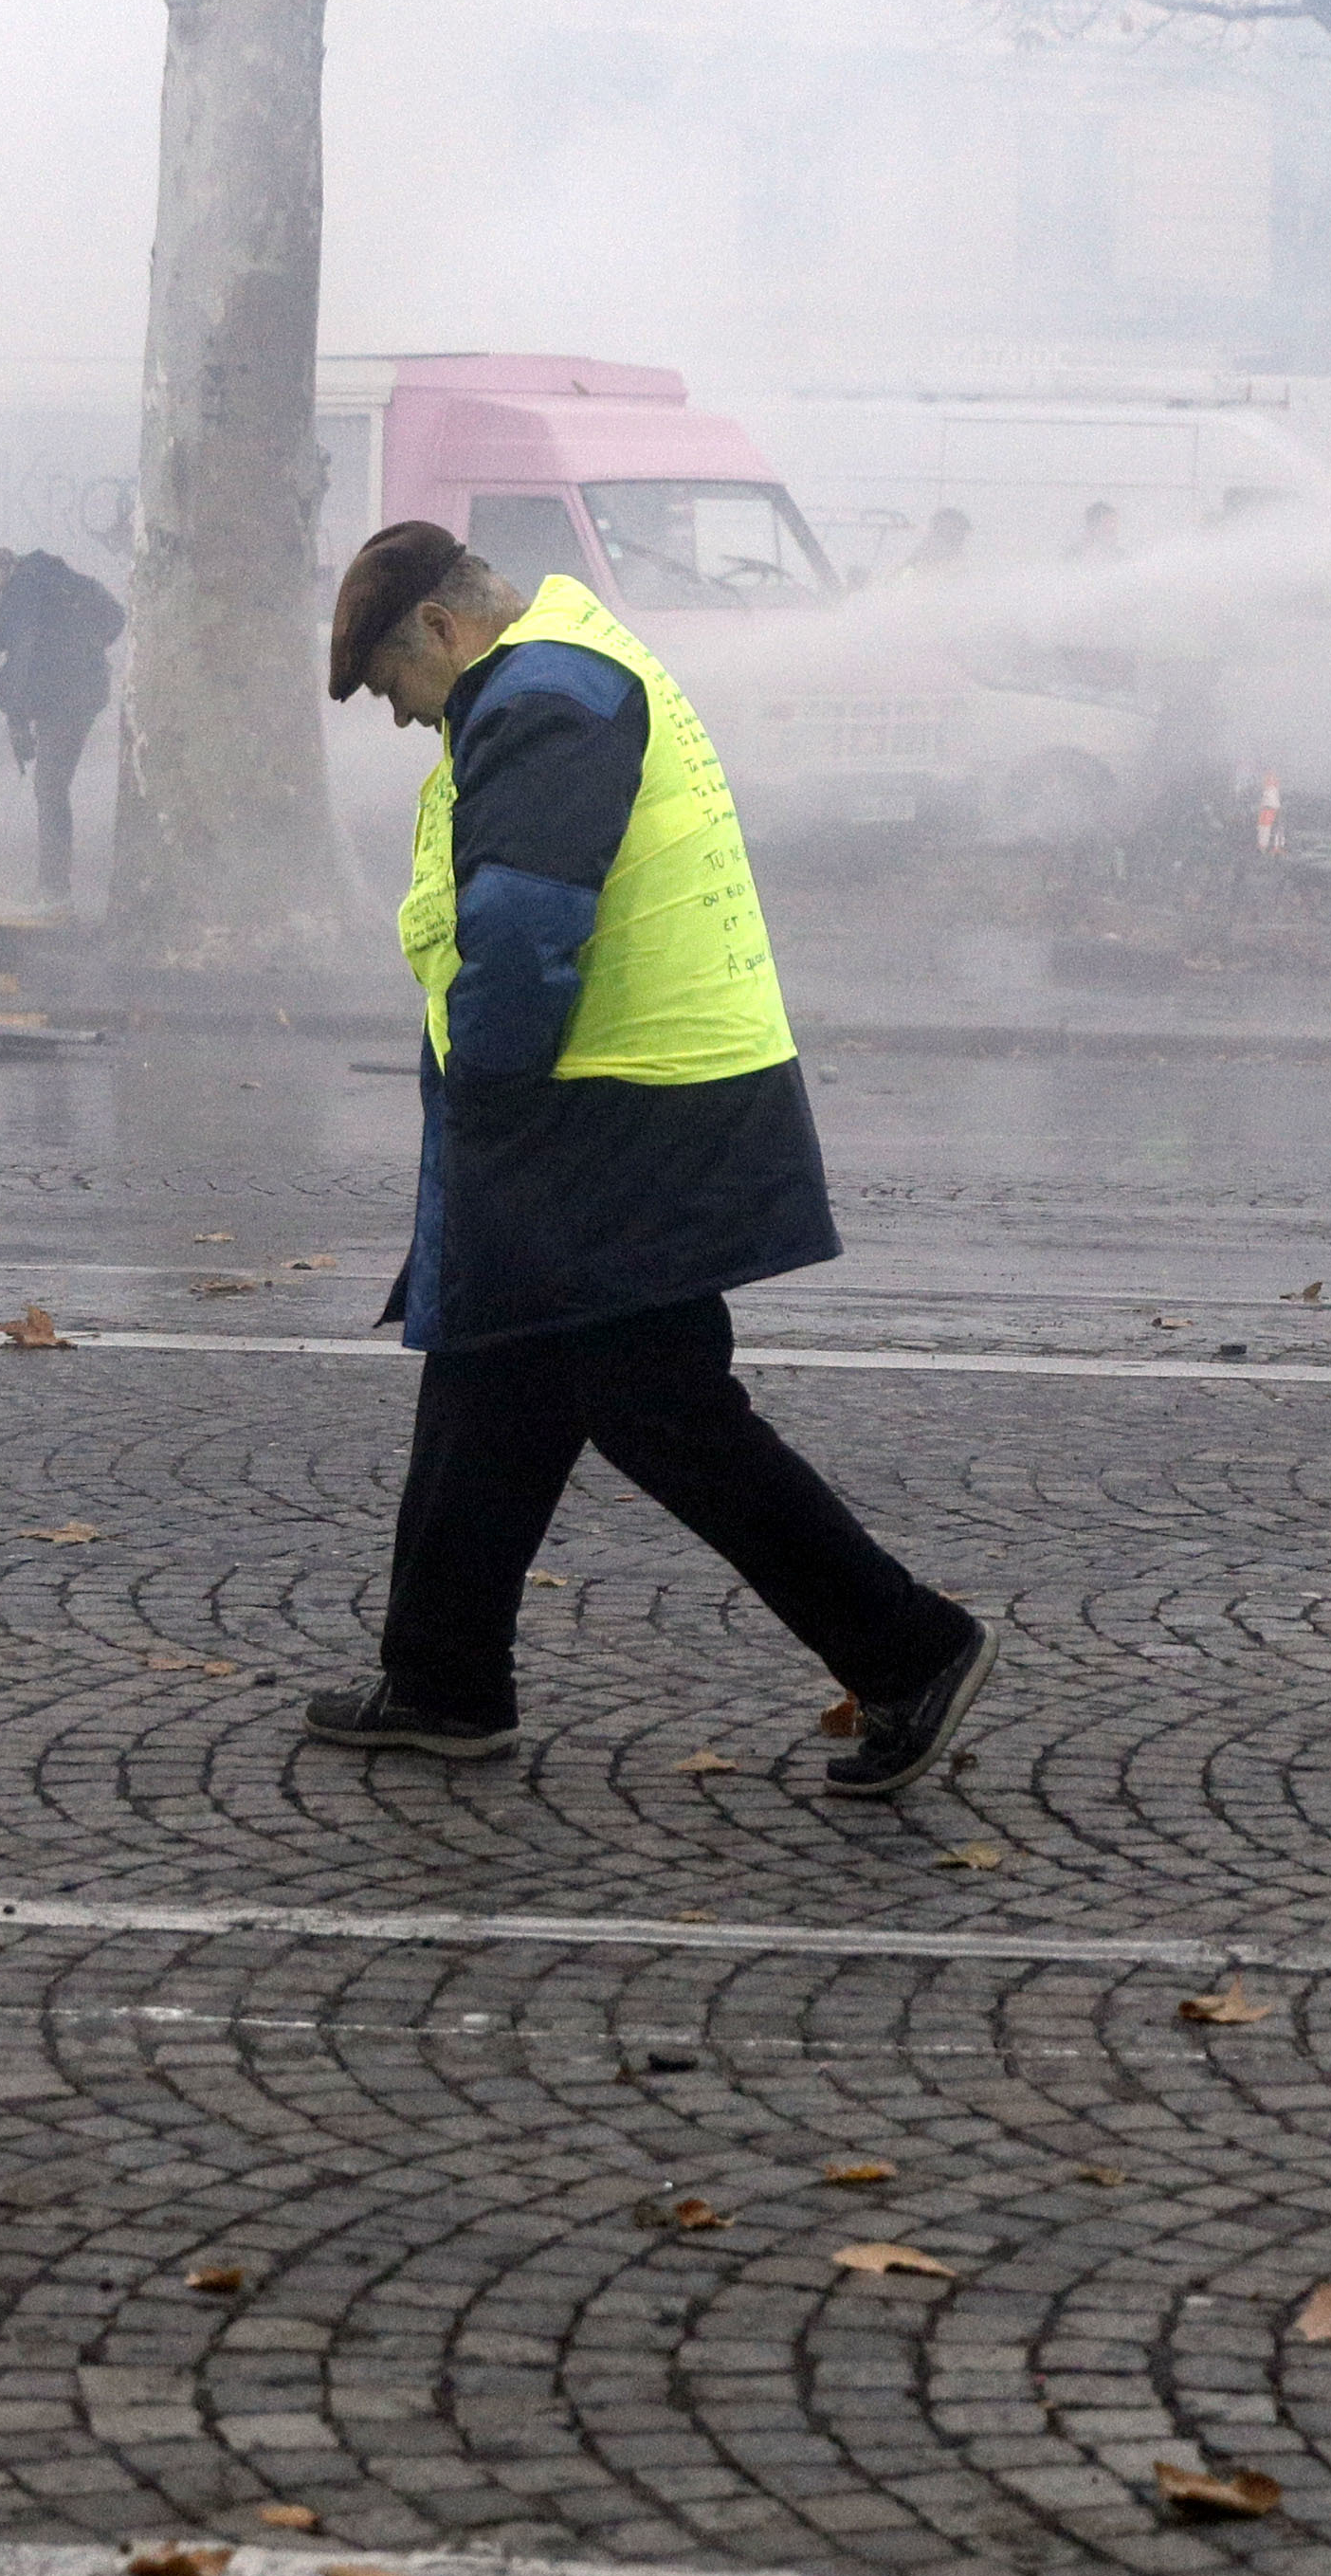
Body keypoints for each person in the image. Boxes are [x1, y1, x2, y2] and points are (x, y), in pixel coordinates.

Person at [302, 520, 992, 1792]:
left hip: (611, 1112)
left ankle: (908, 1648)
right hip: (625, 1101)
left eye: (395, 688)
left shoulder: (545, 696)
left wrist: (496, 1087)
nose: (402, 722)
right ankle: (443, 1681)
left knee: (659, 1406)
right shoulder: (570, 660)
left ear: (445, 632)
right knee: (493, 1370)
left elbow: (519, 921)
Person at [0, 538, 127, 901]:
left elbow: (21, 664)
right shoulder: (41, 576)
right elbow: (113, 618)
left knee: (50, 785)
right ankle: (52, 882)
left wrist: (17, 720)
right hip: (74, 691)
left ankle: (53, 886)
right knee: (50, 785)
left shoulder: (24, 592)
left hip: (70, 696)